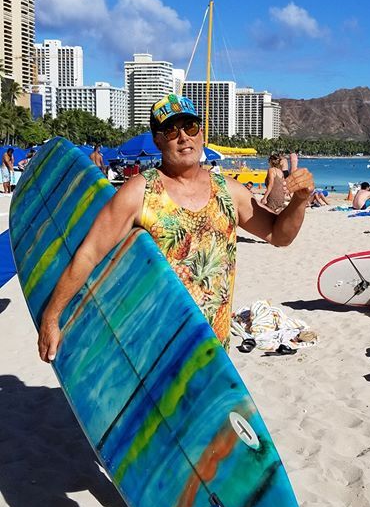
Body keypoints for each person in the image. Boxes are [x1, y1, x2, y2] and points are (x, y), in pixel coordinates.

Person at [38, 94, 314, 363]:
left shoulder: (229, 191)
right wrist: (51, 316)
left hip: (213, 348)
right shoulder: (139, 192)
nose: (183, 137)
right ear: (158, 140)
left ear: (201, 133)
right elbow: (89, 254)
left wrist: (300, 201)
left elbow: (279, 235)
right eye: (171, 130)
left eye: (190, 127)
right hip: (156, 348)